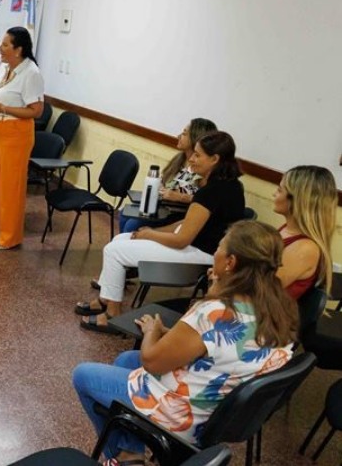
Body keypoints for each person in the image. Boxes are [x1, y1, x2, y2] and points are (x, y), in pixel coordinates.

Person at [72, 220, 298, 464]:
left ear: (230, 262)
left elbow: (150, 361)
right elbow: (219, 345)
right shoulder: (280, 310)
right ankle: (131, 452)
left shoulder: (214, 311)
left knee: (82, 375)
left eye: (219, 248)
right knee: (125, 360)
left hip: (184, 416)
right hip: (216, 407)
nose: (215, 253)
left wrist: (152, 331)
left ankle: (122, 457)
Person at [77, 131, 246, 333]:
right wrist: (154, 231)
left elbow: (182, 239)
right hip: (200, 247)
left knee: (114, 251)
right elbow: (187, 222)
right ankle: (105, 299)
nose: (191, 159)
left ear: (215, 159)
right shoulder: (230, 186)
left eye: (197, 155)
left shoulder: (212, 192)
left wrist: (149, 235)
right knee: (121, 238)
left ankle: (112, 314)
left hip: (203, 255)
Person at [0, 26, 44, 250]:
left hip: (16, 135)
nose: (0, 48)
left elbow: (36, 111)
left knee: (10, 187)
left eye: (5, 45)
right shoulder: (4, 67)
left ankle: (9, 237)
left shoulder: (31, 73)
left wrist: (3, 108)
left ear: (18, 49)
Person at [119, 118, 218, 233]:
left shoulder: (203, 169)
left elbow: (206, 201)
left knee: (132, 224)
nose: (178, 136)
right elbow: (166, 184)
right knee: (124, 213)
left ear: (195, 138)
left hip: (179, 214)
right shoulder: (180, 159)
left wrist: (179, 196)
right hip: (163, 207)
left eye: (184, 134)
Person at [272, 165, 337, 300]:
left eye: (279, 190)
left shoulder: (306, 248)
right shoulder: (286, 229)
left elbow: (261, 288)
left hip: (264, 310)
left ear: (297, 200)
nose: (274, 194)